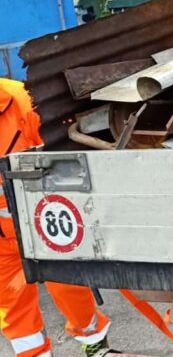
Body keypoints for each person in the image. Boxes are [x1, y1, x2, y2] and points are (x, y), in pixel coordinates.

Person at [0, 78, 112, 356]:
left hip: (41, 221)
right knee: (12, 309)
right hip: (2, 240)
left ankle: (94, 343)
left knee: (70, 288)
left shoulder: (24, 101)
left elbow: (58, 157)